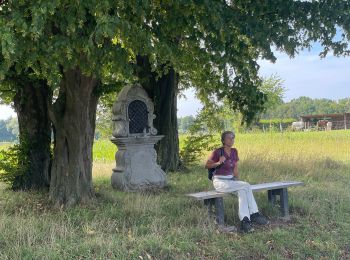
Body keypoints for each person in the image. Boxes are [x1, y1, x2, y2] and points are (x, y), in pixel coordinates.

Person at [205, 130, 269, 233]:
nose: (232, 139)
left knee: (243, 191)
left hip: (231, 181)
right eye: (229, 138)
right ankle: (254, 214)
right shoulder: (217, 152)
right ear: (223, 140)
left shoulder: (234, 151)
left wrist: (237, 181)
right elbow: (207, 165)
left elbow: (235, 168)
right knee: (246, 185)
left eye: (233, 137)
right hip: (220, 182)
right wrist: (218, 163)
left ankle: (245, 221)